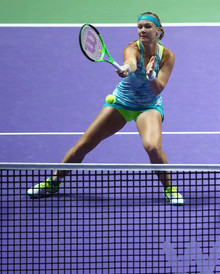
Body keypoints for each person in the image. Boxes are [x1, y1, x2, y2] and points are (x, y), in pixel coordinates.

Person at [27, 12, 183, 205]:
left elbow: (158, 88)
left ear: (158, 30)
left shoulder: (167, 55)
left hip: (148, 106)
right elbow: (131, 63)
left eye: (147, 26)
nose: (142, 30)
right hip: (121, 102)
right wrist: (127, 69)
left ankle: (169, 188)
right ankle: (53, 182)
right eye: (139, 26)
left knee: (152, 147)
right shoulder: (131, 48)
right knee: (83, 146)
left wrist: (151, 75)